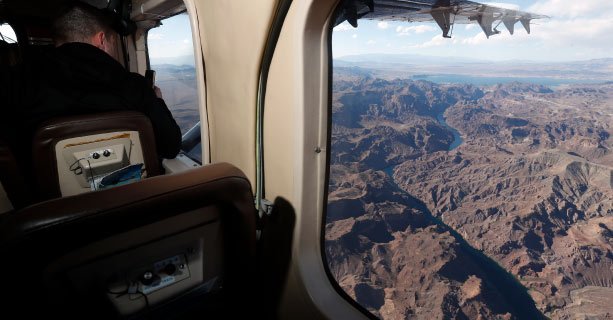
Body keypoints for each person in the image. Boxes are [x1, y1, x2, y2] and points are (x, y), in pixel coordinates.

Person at [0, 2, 181, 162]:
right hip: (131, 195)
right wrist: (157, 99)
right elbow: (171, 147)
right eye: (111, 42)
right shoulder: (135, 86)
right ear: (101, 39)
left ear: (56, 41)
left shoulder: (15, 83)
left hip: (49, 200)